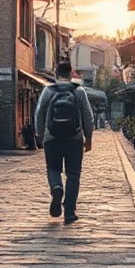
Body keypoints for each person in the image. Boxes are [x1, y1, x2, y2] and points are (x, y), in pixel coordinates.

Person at [34, 60, 95, 224]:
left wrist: (40, 134)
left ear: (56, 73)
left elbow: (39, 112)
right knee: (73, 174)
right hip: (74, 139)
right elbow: (88, 116)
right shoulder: (79, 91)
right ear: (71, 73)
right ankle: (69, 212)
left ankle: (56, 188)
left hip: (51, 138)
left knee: (53, 168)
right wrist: (88, 138)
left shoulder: (48, 90)